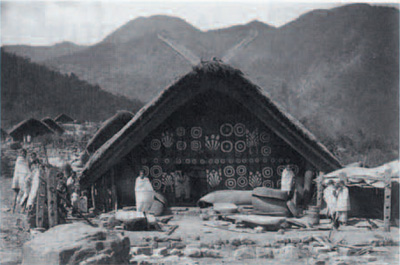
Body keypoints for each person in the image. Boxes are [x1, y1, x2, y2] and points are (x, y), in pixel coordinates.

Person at [11, 149, 30, 213]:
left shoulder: (23, 160)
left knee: (19, 194)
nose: (23, 154)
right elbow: (26, 170)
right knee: (22, 193)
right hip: (20, 179)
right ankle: (15, 209)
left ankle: (16, 209)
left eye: (24, 153)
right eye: (22, 153)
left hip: (19, 179)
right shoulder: (21, 160)